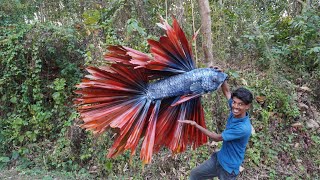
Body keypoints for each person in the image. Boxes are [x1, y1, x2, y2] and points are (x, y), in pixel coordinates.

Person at [179, 67, 253, 180]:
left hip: (229, 169)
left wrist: (195, 125)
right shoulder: (235, 110)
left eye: (240, 104)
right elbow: (227, 92)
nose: (235, 106)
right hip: (218, 159)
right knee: (195, 174)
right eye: (234, 102)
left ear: (247, 106)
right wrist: (221, 75)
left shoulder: (243, 128)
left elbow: (217, 138)